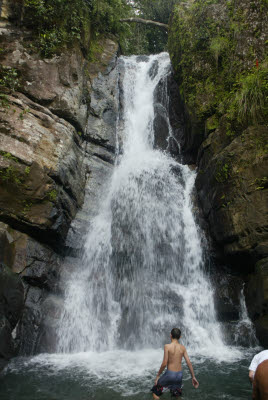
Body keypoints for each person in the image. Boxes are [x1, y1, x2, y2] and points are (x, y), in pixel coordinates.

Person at [151, 328, 199, 398]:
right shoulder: (183, 348)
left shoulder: (167, 347)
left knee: (155, 392)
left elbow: (164, 363)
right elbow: (189, 363)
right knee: (177, 396)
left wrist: (158, 376)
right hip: (179, 376)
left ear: (170, 335)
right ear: (180, 337)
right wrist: (193, 377)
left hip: (170, 374)